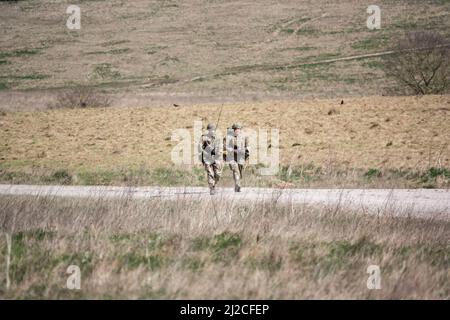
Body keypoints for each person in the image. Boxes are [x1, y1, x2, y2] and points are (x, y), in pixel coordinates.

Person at [224, 123, 249, 192]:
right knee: (235, 170)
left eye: (238, 129)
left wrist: (244, 150)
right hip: (231, 157)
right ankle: (237, 185)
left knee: (240, 171)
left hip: (241, 157)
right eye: (235, 129)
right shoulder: (228, 137)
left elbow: (248, 146)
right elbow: (225, 147)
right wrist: (233, 150)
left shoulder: (244, 137)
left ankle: (238, 183)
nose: (237, 130)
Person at [199, 123, 223, 195]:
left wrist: (216, 151)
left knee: (218, 175)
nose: (212, 131)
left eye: (213, 130)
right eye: (210, 130)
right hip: (207, 158)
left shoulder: (218, 138)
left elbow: (221, 148)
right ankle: (211, 188)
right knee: (210, 173)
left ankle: (214, 184)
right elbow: (199, 147)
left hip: (216, 158)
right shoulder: (204, 138)